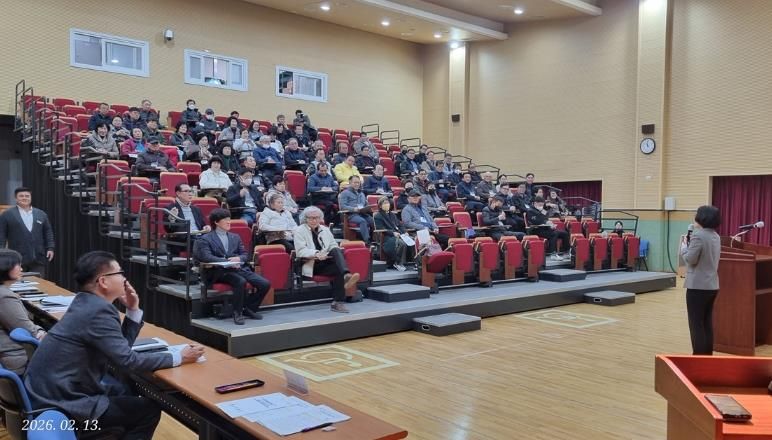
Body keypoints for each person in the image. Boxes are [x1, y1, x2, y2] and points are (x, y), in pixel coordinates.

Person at [24, 251, 205, 438]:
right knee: (148, 410)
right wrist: (179, 357)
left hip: (48, 393)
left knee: (123, 390)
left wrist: (132, 310)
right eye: (120, 273)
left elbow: (118, 352)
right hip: (63, 402)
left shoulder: (85, 302)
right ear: (103, 281)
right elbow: (127, 360)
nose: (124, 278)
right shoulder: (98, 311)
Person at [194, 210, 271, 324]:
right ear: (216, 222)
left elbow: (245, 255)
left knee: (265, 284)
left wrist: (239, 259)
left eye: (229, 219)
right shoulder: (205, 239)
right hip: (218, 271)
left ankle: (248, 308)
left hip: (237, 268)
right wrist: (227, 261)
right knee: (240, 281)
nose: (229, 222)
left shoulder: (235, 237)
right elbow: (207, 257)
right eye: (225, 220)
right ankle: (237, 312)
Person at [294, 206, 360, 313]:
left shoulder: (325, 229)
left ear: (320, 218)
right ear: (305, 219)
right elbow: (300, 251)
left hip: (325, 261)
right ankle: (346, 276)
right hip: (311, 264)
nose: (314, 220)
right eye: (311, 218)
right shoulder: (299, 230)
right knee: (338, 266)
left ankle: (339, 298)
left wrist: (326, 254)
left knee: (336, 251)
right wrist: (316, 253)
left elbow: (333, 244)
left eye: (316, 218)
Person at [680, 205, 721, 355]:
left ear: (702, 217)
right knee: (706, 322)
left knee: (696, 324)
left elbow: (691, 259)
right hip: (712, 285)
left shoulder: (698, 236)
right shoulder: (715, 236)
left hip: (698, 286)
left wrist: (684, 249)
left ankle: (698, 356)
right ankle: (707, 356)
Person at [0, 249, 45, 375]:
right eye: (18, 265)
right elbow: (27, 329)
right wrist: (41, 331)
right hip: (14, 359)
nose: (21, 268)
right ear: (5, 268)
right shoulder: (4, 297)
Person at [0, 188, 55, 277]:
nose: (24, 198)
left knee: (39, 283)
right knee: (18, 283)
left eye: (27, 196)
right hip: (17, 259)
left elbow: (48, 232)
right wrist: (1, 253)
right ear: (16, 198)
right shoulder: (7, 214)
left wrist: (50, 248)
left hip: (38, 258)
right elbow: (1, 235)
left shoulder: (41, 214)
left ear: (30, 197)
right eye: (21, 196)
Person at [164, 183, 210, 255]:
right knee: (200, 242)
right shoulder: (170, 208)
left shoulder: (196, 209)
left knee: (215, 238)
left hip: (198, 236)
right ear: (178, 193)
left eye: (190, 191)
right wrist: (172, 218)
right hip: (183, 238)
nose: (190, 194)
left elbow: (202, 225)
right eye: (186, 191)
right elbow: (169, 230)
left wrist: (206, 227)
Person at [373, 197, 407, 271]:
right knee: (401, 243)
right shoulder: (378, 216)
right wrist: (392, 233)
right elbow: (380, 228)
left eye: (387, 203)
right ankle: (397, 262)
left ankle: (412, 263)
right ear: (380, 206)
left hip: (398, 234)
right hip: (387, 236)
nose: (387, 205)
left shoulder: (392, 214)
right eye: (384, 203)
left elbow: (400, 225)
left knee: (412, 240)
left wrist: (404, 232)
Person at [338, 175, 375, 244]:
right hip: (351, 215)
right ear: (350, 183)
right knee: (362, 221)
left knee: (373, 220)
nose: (357, 184)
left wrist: (368, 208)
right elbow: (343, 206)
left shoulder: (362, 193)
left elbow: (365, 204)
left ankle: (374, 239)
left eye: (358, 183)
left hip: (362, 213)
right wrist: (353, 209)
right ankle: (367, 241)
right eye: (355, 182)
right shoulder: (344, 193)